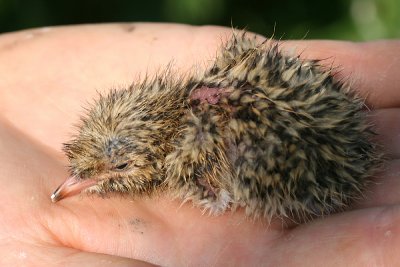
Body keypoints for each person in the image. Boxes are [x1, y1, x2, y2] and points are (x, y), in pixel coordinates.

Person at [0, 23, 398, 266]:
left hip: (322, 163)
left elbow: (212, 182)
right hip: (338, 132)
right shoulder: (206, 85)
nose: (72, 185)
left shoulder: (192, 160)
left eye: (119, 167)